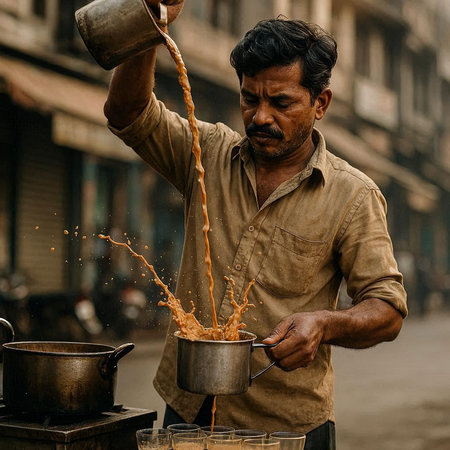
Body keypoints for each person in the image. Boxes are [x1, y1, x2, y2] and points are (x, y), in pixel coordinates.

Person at [104, 1, 407, 449]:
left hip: (288, 428)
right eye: (250, 98)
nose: (260, 117)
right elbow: (127, 112)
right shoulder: (207, 154)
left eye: (281, 103)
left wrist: (324, 324)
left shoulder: (353, 196)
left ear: (320, 103)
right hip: (188, 415)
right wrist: (149, 23)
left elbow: (388, 308)